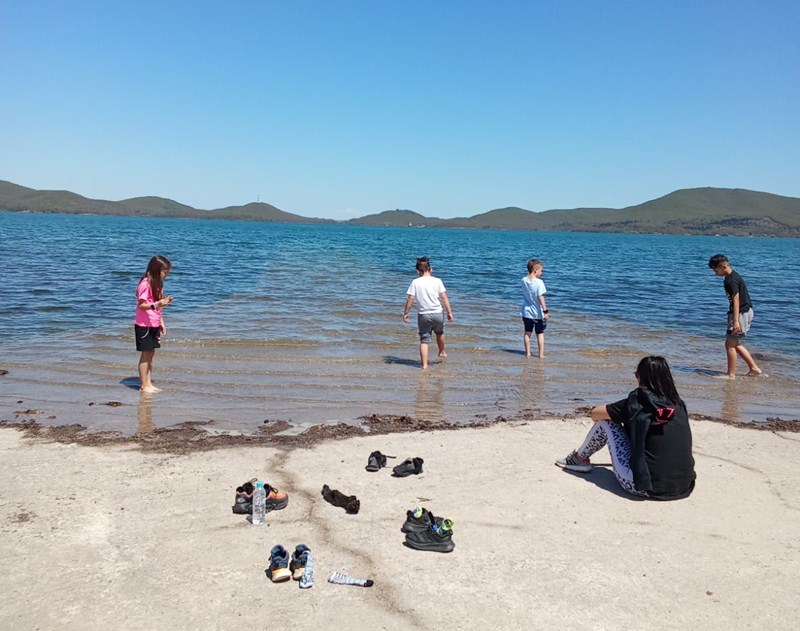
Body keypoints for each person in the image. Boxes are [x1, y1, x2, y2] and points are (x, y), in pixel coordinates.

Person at [555, 356, 696, 500]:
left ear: (641, 378)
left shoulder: (637, 402)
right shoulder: (679, 404)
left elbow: (595, 414)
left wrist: (622, 416)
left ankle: (578, 459)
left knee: (605, 423)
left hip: (642, 487)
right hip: (683, 486)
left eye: (637, 376)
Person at [708, 254, 762, 379]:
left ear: (724, 266)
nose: (715, 273)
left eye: (716, 270)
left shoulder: (730, 280)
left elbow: (736, 300)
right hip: (745, 311)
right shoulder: (732, 276)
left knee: (730, 344)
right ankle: (754, 368)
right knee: (734, 343)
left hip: (740, 313)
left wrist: (736, 321)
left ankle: (731, 375)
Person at [403, 257, 453, 369]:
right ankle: (441, 351)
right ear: (431, 269)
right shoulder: (437, 281)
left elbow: (411, 298)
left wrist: (406, 312)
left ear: (418, 271)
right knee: (440, 332)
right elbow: (444, 298)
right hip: (438, 312)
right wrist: (449, 312)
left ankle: (424, 365)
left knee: (424, 340)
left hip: (423, 314)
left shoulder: (415, 282)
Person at [134, 255, 174, 393]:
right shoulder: (145, 284)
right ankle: (144, 385)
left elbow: (158, 307)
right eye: (165, 272)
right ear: (157, 271)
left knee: (151, 353)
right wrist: (157, 304)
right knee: (146, 354)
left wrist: (161, 321)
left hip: (154, 323)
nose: (166, 275)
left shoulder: (158, 284)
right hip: (144, 324)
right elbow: (142, 305)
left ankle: (148, 383)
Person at [520, 258, 549, 357]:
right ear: (535, 270)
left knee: (527, 333)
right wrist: (545, 311)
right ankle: (541, 354)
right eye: (541, 270)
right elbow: (540, 297)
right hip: (537, 313)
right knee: (540, 333)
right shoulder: (539, 282)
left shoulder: (523, 280)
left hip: (526, 312)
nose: (542, 273)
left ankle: (527, 353)